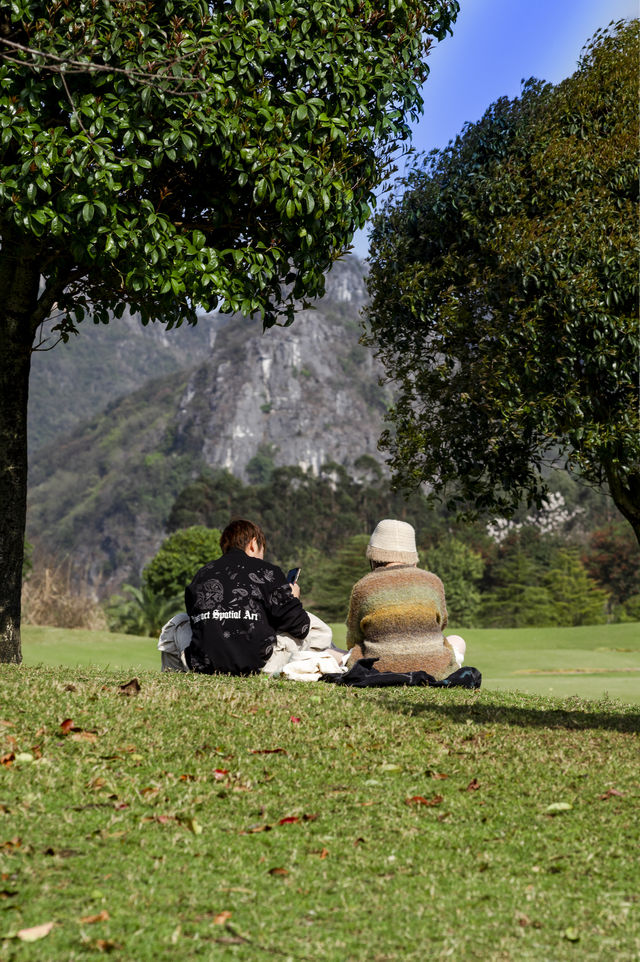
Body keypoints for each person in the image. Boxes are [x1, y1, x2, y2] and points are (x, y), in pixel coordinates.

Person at [182, 518, 336, 675]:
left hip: (203, 666)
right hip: (258, 665)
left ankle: (173, 669)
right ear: (253, 544)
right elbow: (300, 627)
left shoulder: (201, 574)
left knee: (178, 622)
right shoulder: (266, 571)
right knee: (319, 629)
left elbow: (195, 618)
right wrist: (294, 599)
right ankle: (313, 663)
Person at [345, 519, 466, 678]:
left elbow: (354, 638)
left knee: (332, 650)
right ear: (413, 556)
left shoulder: (363, 586)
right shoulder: (433, 582)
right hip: (434, 669)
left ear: (373, 557)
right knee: (458, 640)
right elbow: (440, 625)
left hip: (377, 668)